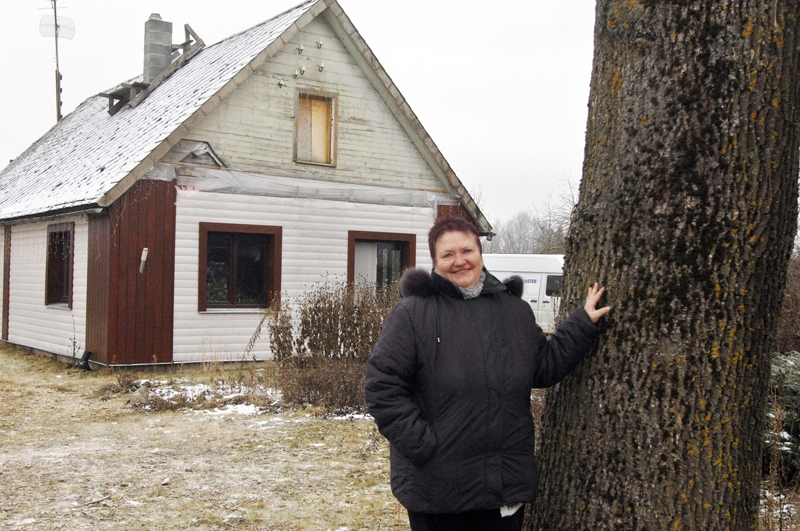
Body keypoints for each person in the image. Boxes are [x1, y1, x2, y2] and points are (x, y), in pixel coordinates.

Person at [364, 215, 610, 531]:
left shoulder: (513, 311)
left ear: (480, 253)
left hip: (502, 487)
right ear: (435, 262)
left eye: (467, 251)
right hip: (436, 491)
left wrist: (582, 324)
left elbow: (544, 367)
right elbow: (382, 386)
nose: (459, 261)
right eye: (447, 254)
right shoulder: (414, 313)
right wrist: (423, 445)